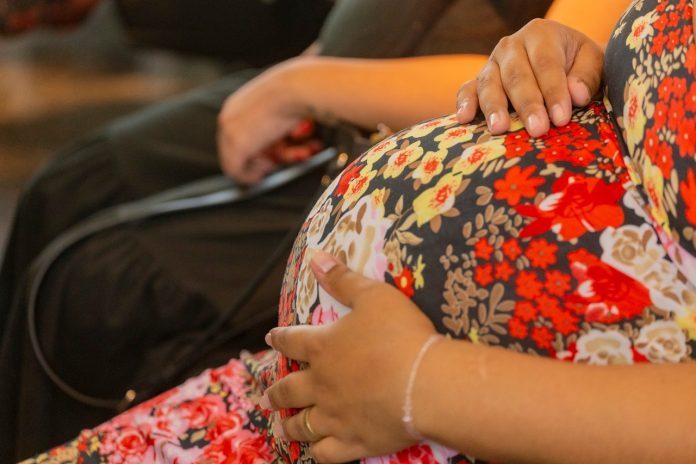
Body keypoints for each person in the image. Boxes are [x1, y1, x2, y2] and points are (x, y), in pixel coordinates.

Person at [27, 0, 696, 462]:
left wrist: (422, 384)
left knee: (97, 284)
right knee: (66, 213)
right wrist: (561, 51)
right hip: (346, 386)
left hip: (444, 414)